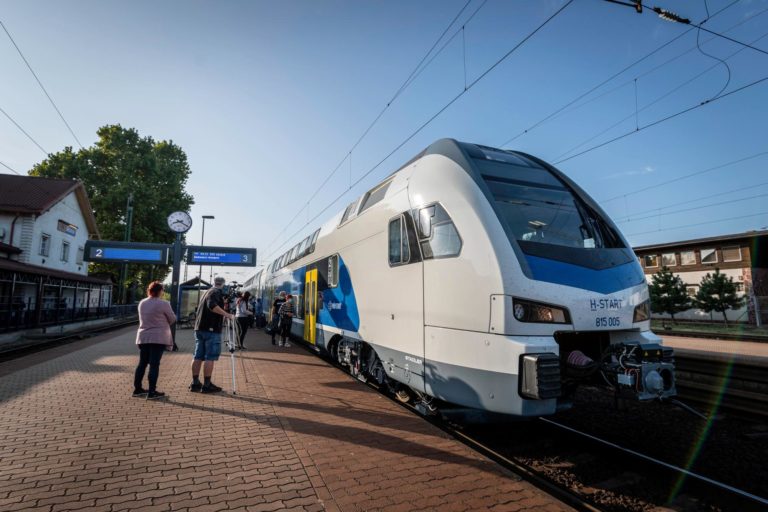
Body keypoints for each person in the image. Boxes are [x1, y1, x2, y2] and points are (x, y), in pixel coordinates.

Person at [191, 276, 235, 393]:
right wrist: (227, 315)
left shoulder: (206, 292)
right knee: (209, 357)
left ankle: (195, 383)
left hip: (199, 328)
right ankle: (207, 385)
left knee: (198, 356)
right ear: (223, 284)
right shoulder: (215, 292)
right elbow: (212, 306)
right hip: (211, 330)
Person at [134, 281, 176, 400]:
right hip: (158, 338)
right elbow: (172, 319)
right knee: (154, 364)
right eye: (162, 290)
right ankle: (152, 392)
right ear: (160, 291)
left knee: (142, 364)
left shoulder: (142, 302)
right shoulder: (164, 304)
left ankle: (137, 389)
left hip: (143, 337)